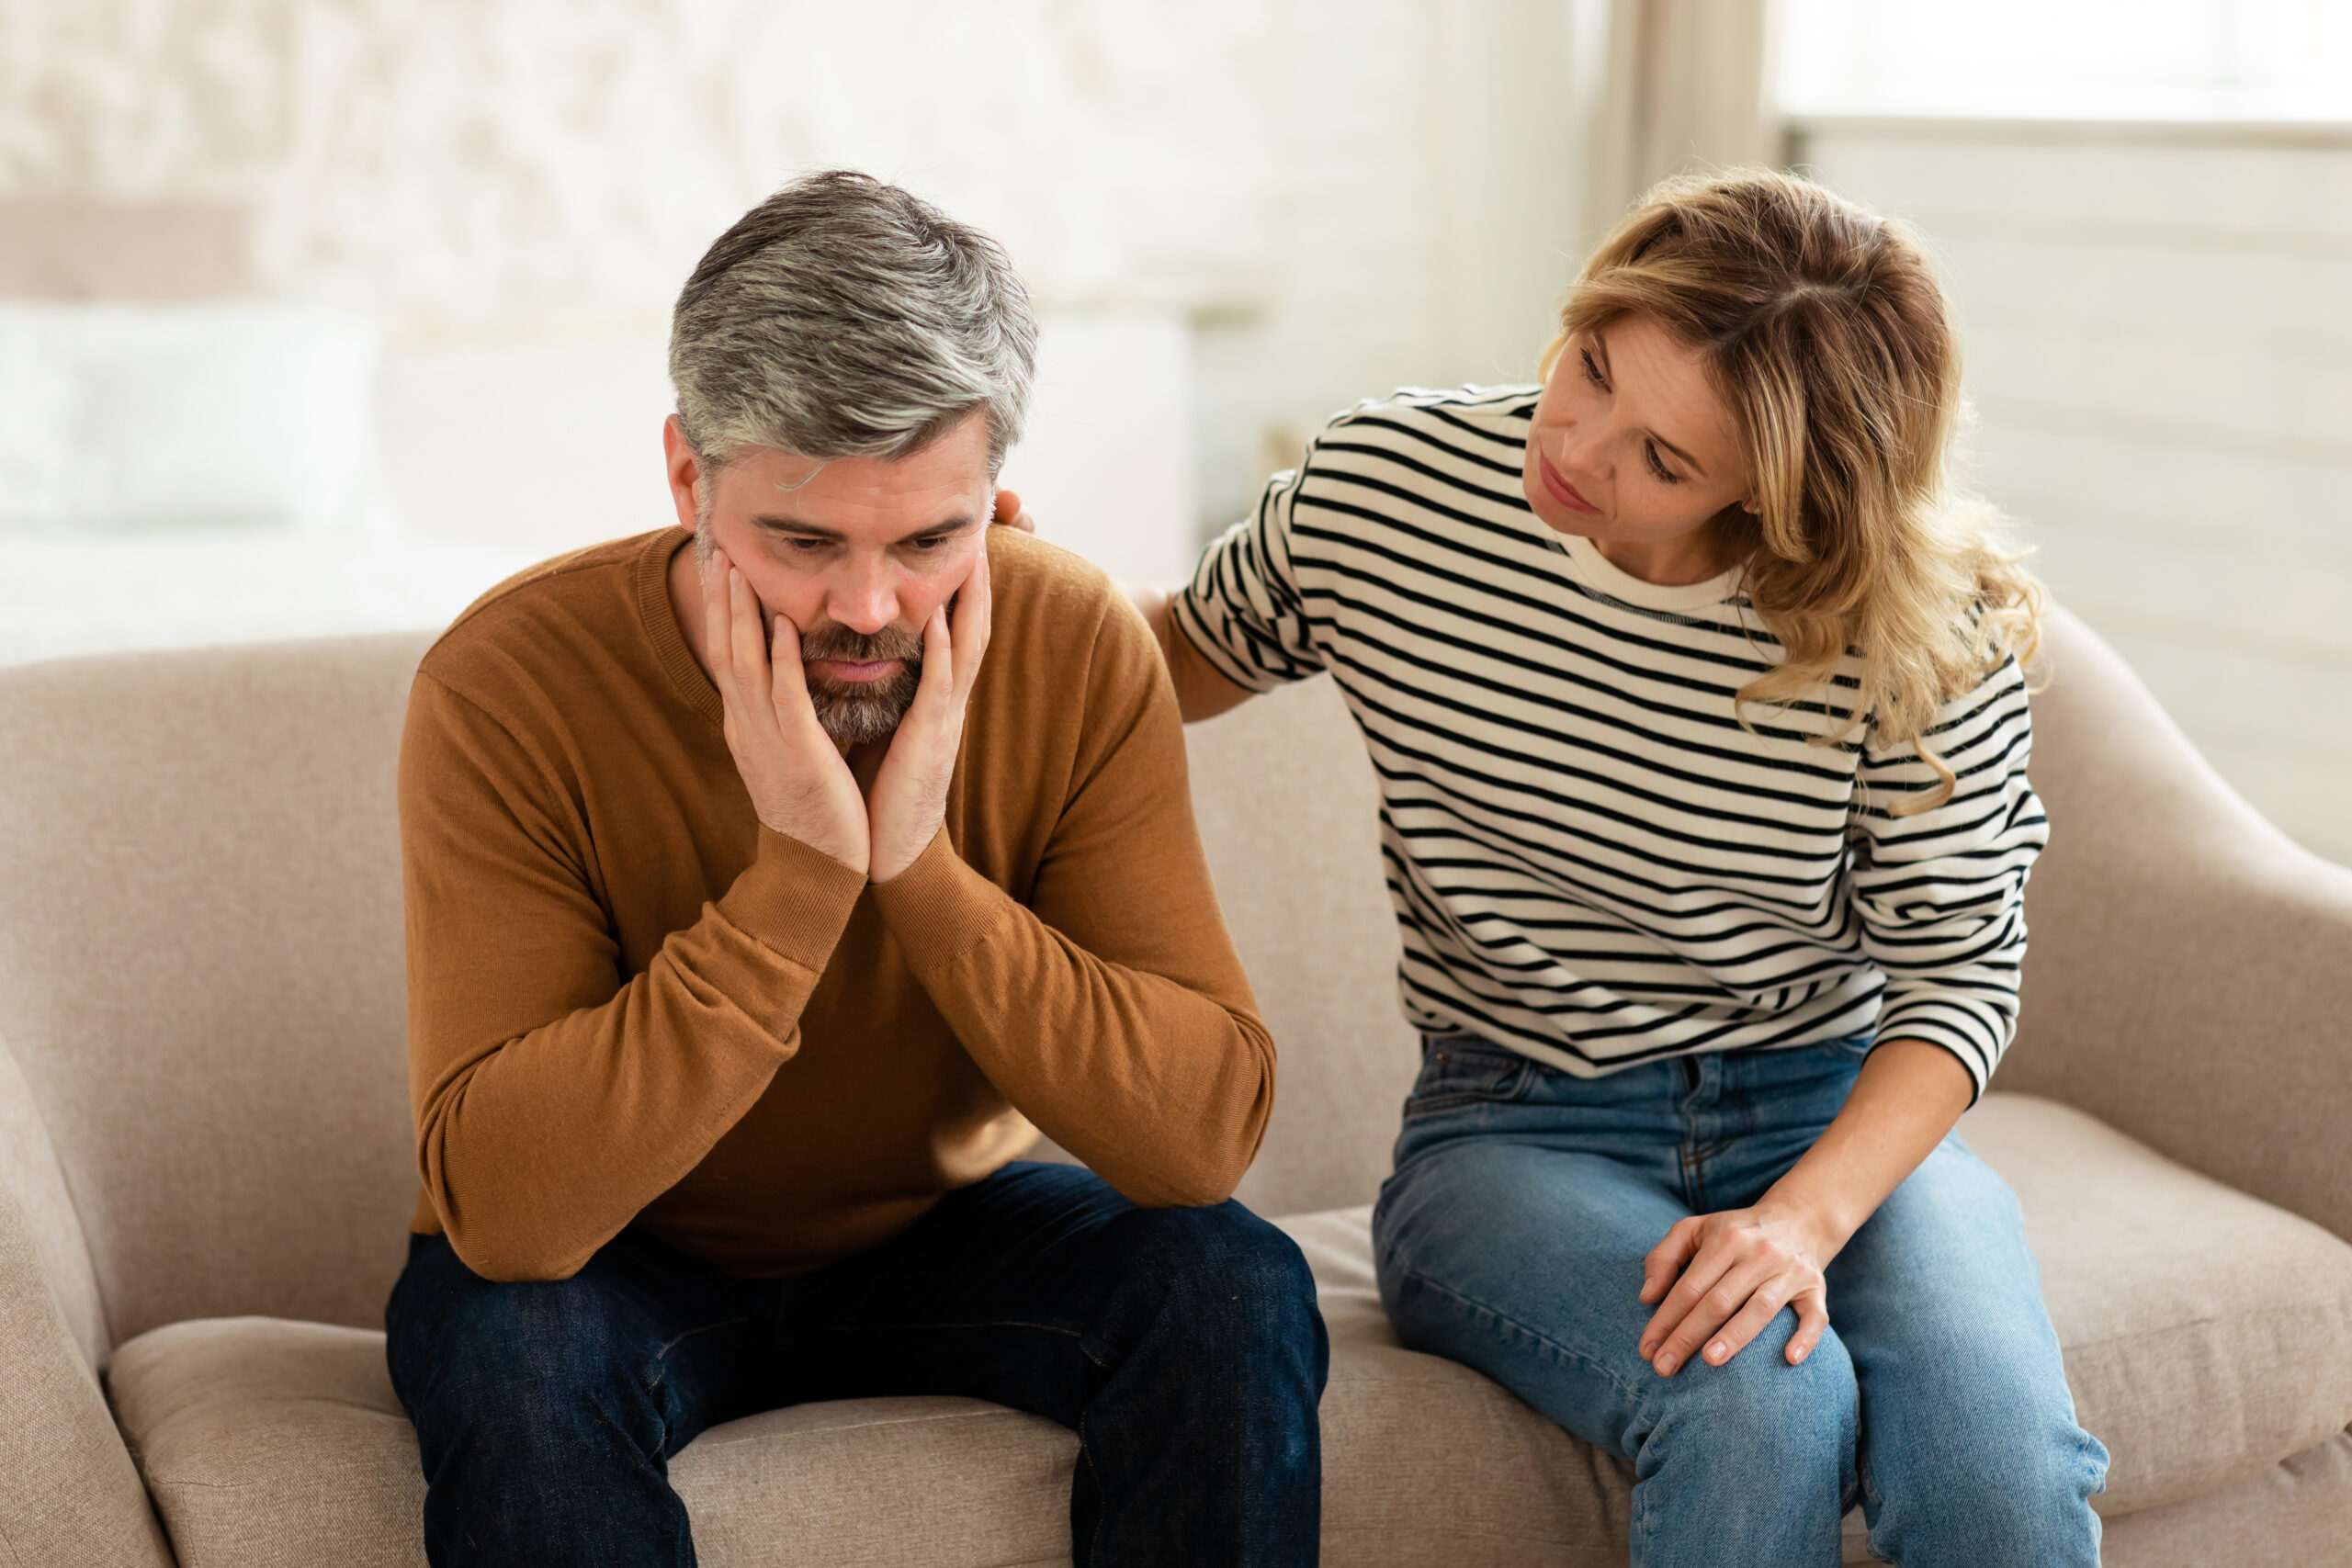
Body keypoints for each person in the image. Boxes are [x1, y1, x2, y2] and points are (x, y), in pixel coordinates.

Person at [1125, 170, 2107, 1566]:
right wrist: (972, 581)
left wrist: (1796, 1224)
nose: (1577, 449)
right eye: (1591, 366)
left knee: (1993, 1465)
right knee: (1757, 1394)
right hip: (1517, 1125)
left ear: (1782, 496)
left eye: (1665, 459)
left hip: (1824, 1114)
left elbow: (1957, 983)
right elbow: (1162, 663)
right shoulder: (1391, 496)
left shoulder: (1919, 633)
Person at [386, 170, 1327, 1568]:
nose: (869, 610)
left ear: (997, 502)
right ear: (689, 478)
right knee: (514, 1340)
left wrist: (923, 868)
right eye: (803, 543)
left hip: (948, 1225)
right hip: (611, 1248)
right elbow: (515, 1217)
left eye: (931, 542)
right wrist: (804, 872)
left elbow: (1196, 1139)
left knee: (1234, 1283)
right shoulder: (509, 681)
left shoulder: (1071, 647)